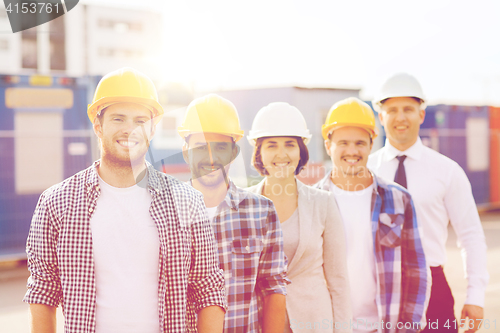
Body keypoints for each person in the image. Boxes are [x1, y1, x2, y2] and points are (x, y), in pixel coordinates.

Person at [23, 68, 226, 333]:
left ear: (152, 129)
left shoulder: (187, 202)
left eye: (140, 120)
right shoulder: (56, 202)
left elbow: (208, 289)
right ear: (98, 125)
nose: (130, 129)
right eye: (118, 118)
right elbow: (43, 289)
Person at [368, 73, 489, 333]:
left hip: (433, 288)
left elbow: (470, 235)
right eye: (392, 110)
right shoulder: (365, 171)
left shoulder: (447, 171)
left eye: (408, 109)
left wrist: (475, 296)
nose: (400, 117)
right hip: (377, 288)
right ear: (381, 117)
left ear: (421, 115)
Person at [315, 97, 429, 333]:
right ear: (328, 145)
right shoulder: (311, 202)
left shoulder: (399, 199)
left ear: (371, 144)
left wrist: (409, 328)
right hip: (330, 326)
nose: (352, 151)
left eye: (360, 143)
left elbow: (416, 270)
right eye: (343, 143)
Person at [178, 94, 289, 333]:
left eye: (220, 147)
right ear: (186, 152)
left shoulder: (262, 212)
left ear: (234, 152)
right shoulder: (166, 213)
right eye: (201, 147)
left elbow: (273, 289)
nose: (210, 157)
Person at [245, 102, 352, 333]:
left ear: (301, 151)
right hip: (260, 323)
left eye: (290, 145)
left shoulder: (323, 203)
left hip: (314, 322)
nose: (281, 154)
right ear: (259, 153)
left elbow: (339, 282)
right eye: (271, 145)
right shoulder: (242, 205)